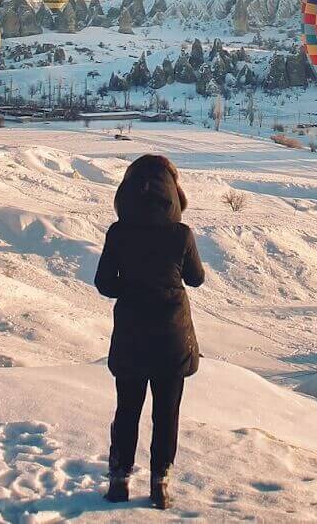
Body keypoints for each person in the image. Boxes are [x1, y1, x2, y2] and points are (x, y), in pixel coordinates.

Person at [93, 153, 205, 509]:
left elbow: (105, 283)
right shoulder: (181, 234)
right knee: (166, 413)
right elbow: (196, 279)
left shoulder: (119, 233)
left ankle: (119, 480)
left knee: (127, 409)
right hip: (171, 339)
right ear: (174, 194)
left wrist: (131, 285)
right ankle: (160, 484)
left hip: (131, 336)